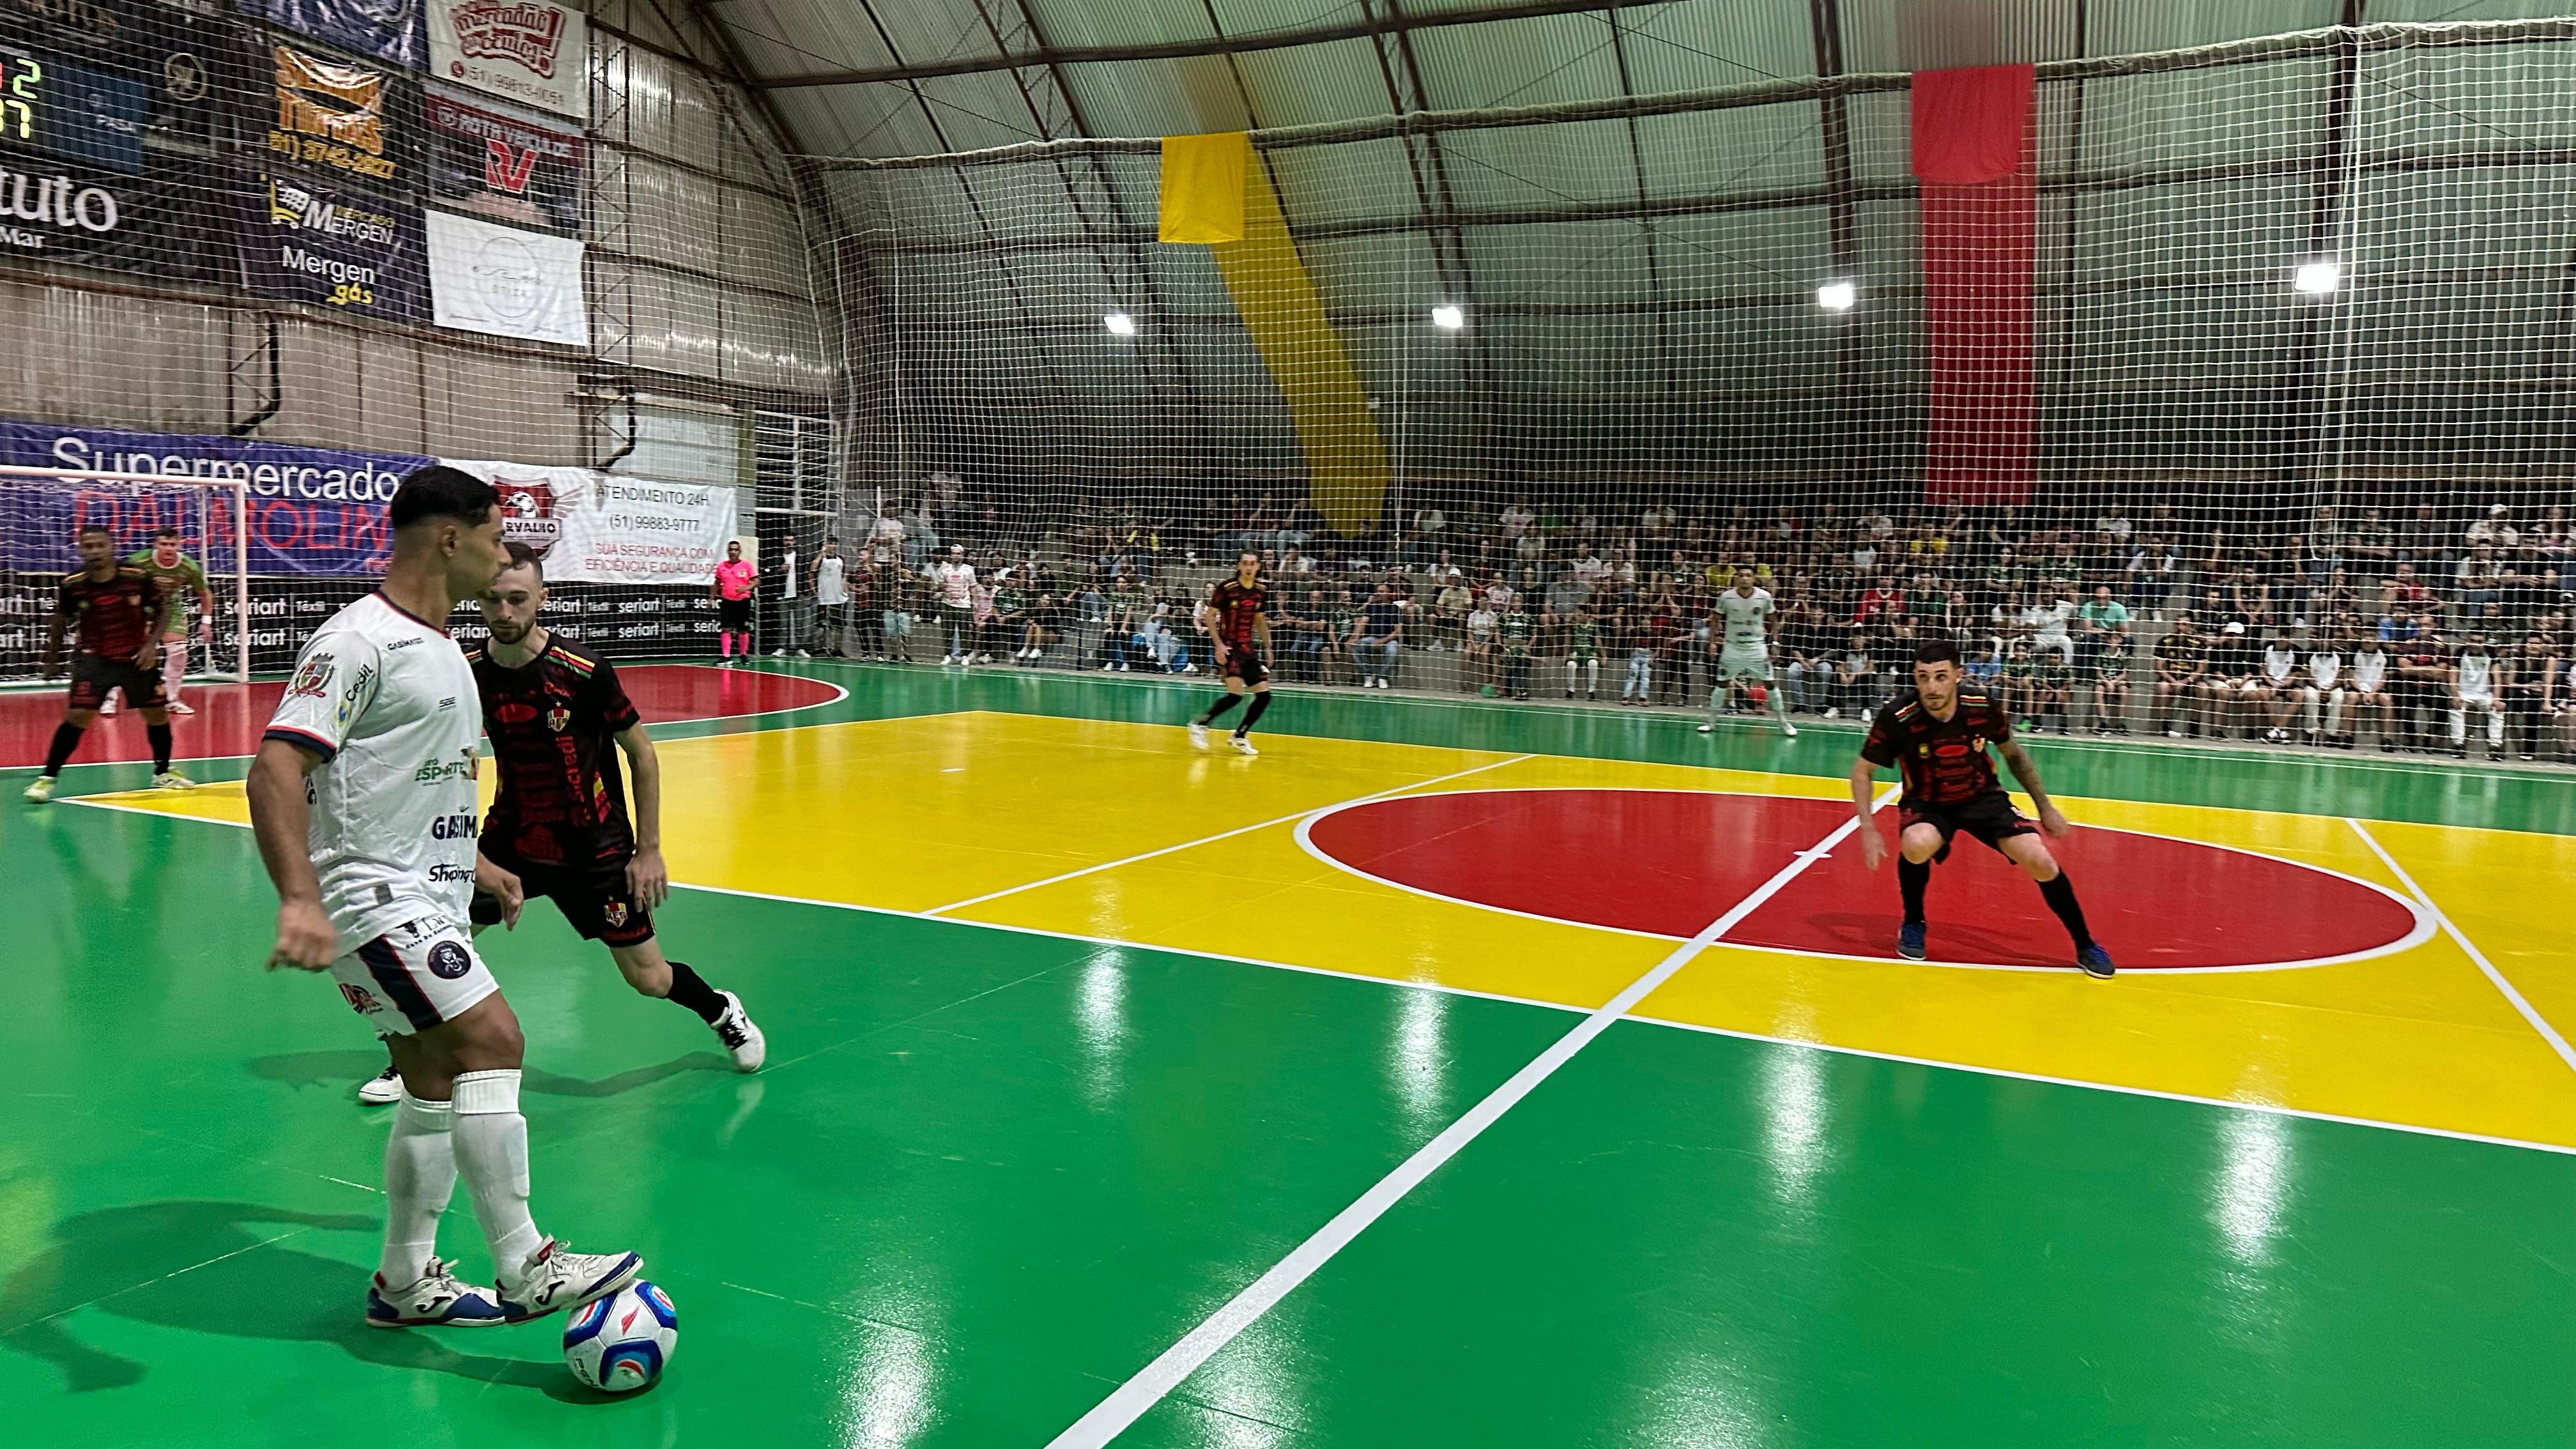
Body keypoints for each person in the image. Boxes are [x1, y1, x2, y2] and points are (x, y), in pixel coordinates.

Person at [246, 466, 641, 1330]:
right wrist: (298, 898)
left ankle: (404, 1282)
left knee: (430, 1082)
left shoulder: (442, 650)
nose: (502, 558)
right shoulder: (360, 641)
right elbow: (275, 767)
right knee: (494, 1039)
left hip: (420, 891)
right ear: (451, 538)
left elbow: (412, 786)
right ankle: (526, 1266)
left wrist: (477, 868)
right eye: (495, 539)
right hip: (369, 898)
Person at [353, 545, 769, 1103]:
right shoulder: (466, 671)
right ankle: (410, 1062)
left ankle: (720, 1011)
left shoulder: (582, 671)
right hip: (509, 843)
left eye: (518, 599)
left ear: (542, 599)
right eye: (494, 600)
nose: (505, 612)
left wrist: (648, 850)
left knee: (648, 978)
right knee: (435, 946)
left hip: (595, 849)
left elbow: (641, 753)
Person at [1848, 640, 2113, 978]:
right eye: (1923, 677)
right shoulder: (1898, 715)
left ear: (1958, 675)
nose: (1932, 687)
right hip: (1927, 802)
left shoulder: (1980, 705)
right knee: (1916, 844)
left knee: (2040, 859)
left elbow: (2013, 754)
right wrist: (1868, 827)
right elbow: (1862, 770)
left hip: (1982, 797)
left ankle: (2085, 944)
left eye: (1941, 676)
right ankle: (1913, 922)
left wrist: (2045, 807)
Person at [25, 526, 191, 802]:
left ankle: (163, 772)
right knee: (77, 716)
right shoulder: (74, 584)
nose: (94, 551)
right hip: (94, 660)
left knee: (157, 714)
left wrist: (151, 646)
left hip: (136, 659)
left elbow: (162, 612)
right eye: (88, 546)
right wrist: (51, 658)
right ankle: (47, 779)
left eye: (100, 545)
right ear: (81, 550)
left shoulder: (136, 577)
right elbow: (61, 620)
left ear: (111, 546)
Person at [117, 526, 215, 717]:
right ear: (155, 545)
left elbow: (204, 594)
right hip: (141, 608)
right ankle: (110, 698)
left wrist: (206, 622)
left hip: (169, 607)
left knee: (179, 652)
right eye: (164, 544)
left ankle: (171, 700)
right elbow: (119, 585)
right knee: (124, 652)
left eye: (172, 544)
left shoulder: (188, 566)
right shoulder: (139, 561)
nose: (169, 549)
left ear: (179, 545)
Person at [1188, 551, 1273, 756]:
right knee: (1236, 695)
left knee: (1264, 696)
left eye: (1252, 564)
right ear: (1238, 566)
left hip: (1247, 649)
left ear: (1258, 566)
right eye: (1245, 563)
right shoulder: (1227, 588)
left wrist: (1268, 647)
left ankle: (1239, 736)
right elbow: (1209, 616)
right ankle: (1199, 724)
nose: (1249, 567)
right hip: (1229, 648)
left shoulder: (1261, 591)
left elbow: (1260, 620)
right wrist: (1218, 645)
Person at [1699, 566, 1797, 738]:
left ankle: (1784, 723)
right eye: (1741, 575)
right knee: (1722, 683)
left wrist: (1775, 643)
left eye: (1748, 575)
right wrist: (1712, 643)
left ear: (1754, 578)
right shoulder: (1726, 597)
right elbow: (1715, 620)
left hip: (1756, 647)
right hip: (1732, 647)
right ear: (1736, 578)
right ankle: (1710, 722)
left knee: (1770, 683)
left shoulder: (1764, 596)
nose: (1745, 578)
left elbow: (1774, 622)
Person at [2450, 633, 2506, 758]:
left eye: (2479, 642)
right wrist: (2455, 696)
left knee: (2498, 709)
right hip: (2464, 693)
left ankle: (2495, 747)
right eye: (2472, 641)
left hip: (2484, 695)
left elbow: (2497, 678)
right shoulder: (2460, 653)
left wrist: (2497, 699)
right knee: (2456, 707)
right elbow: (2453, 677)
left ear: (2484, 643)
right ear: (2467, 640)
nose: (2475, 644)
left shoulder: (2491, 654)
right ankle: (2458, 745)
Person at [710, 540, 756, 666]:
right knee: (726, 628)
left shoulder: (746, 565)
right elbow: (717, 583)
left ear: (739, 552)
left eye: (736, 550)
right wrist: (711, 598)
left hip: (743, 601)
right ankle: (726, 657)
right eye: (731, 549)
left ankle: (743, 656)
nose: (733, 552)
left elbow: (756, 581)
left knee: (743, 629)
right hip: (727, 601)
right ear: (728, 551)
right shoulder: (722, 566)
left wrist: (745, 588)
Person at [931, 546, 979, 664]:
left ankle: (964, 656)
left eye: (958, 554)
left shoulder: (969, 570)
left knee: (964, 632)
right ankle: (947, 655)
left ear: (962, 555)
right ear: (950, 555)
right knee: (947, 631)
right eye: (953, 553)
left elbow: (973, 587)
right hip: (947, 604)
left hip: (964, 605)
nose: (955, 556)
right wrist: (942, 587)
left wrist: (975, 602)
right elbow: (940, 585)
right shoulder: (945, 569)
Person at [1353, 584, 1406, 689]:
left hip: (1389, 639)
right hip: (1373, 638)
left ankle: (1383, 677)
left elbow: (1398, 631)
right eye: (1377, 591)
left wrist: (1383, 641)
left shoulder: (1395, 609)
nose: (1378, 593)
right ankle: (1368, 676)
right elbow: (1363, 622)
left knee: (1393, 649)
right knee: (1359, 645)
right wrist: (1355, 637)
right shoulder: (1371, 607)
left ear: (1388, 594)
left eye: (1381, 591)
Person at [813, 535, 849, 657]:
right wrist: (821, 554)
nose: (833, 546)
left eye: (834, 543)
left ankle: (837, 649)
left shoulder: (840, 559)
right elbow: (812, 570)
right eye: (830, 543)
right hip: (824, 597)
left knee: (839, 625)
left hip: (838, 597)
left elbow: (844, 576)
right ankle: (821, 649)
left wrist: (845, 590)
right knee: (822, 625)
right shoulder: (820, 559)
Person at [1562, 604, 1603, 700]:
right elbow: (1568, 641)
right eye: (1576, 615)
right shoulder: (1573, 626)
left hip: (1589, 652)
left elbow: (1598, 642)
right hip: (1576, 653)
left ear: (1587, 615)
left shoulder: (1593, 626)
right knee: (1571, 664)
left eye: (1580, 615)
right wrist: (1565, 656)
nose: (1577, 617)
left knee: (1593, 663)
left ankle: (1591, 692)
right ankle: (1570, 691)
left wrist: (1604, 656)